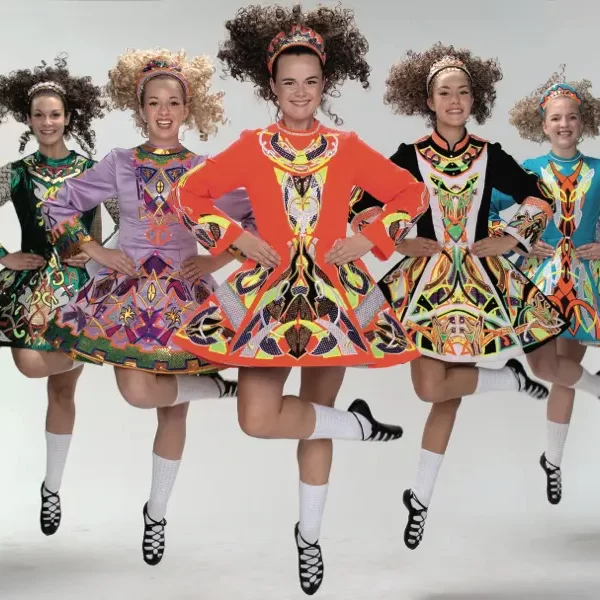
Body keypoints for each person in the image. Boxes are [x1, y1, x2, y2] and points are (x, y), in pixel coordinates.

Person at [166, 4, 429, 594]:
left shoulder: (347, 145)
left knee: (313, 427)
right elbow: (189, 192)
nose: (301, 93)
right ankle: (357, 426)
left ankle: (310, 539)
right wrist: (236, 237)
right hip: (269, 299)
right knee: (257, 418)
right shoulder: (253, 145)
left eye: (311, 82)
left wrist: (367, 236)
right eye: (289, 83)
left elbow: (411, 192)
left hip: (336, 299)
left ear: (325, 85)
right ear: (272, 87)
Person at [347, 43, 588, 550]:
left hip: (481, 280)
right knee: (430, 389)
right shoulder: (407, 157)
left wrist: (510, 238)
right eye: (443, 92)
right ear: (428, 101)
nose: (454, 99)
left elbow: (537, 198)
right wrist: (399, 240)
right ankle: (507, 380)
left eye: (462, 91)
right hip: (425, 280)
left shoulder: (490, 154)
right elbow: (360, 209)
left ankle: (421, 498)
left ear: (473, 98)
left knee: (446, 395)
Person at [42, 48, 254, 566]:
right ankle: (219, 388)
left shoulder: (205, 169)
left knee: (169, 408)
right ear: (141, 108)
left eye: (174, 102)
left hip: (183, 295)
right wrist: (98, 251)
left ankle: (156, 514)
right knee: (138, 391)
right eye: (154, 102)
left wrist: (215, 261)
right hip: (127, 296)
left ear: (188, 108)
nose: (164, 111)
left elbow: (254, 213)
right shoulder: (118, 163)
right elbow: (59, 204)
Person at [0, 54, 115, 537]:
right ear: (28, 120)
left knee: (62, 390)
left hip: (84, 289)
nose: (48, 122)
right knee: (29, 363)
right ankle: (90, 352)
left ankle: (52, 488)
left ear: (69, 118)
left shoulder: (94, 169)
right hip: (33, 287)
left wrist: (98, 257)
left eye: (55, 114)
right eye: (39, 114)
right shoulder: (15, 172)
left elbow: (133, 220)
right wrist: (4, 256)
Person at [490, 67, 600, 505]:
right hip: (537, 284)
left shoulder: (599, 170)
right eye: (556, 118)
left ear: (583, 121)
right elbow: (491, 213)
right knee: (543, 368)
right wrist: (522, 238)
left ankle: (552, 461)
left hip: (584, 286)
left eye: (572, 117)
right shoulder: (527, 170)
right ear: (542, 124)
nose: (564, 125)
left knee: (562, 379)